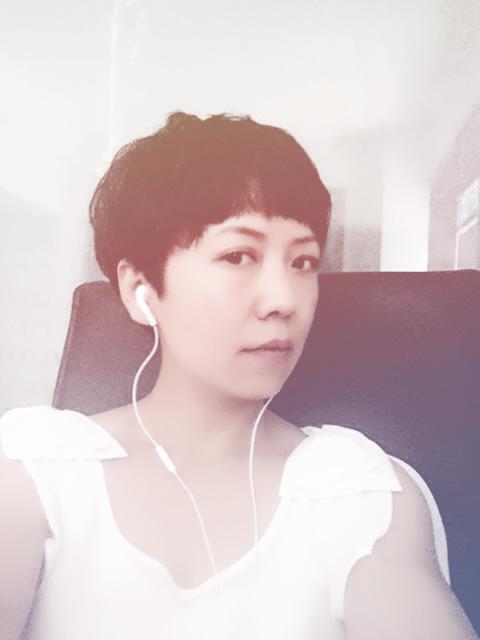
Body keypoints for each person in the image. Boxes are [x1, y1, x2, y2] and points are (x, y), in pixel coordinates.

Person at [0, 112, 477, 640]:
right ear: (141, 290)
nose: (283, 300)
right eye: (237, 255)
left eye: (303, 262)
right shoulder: (36, 470)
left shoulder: (355, 490)